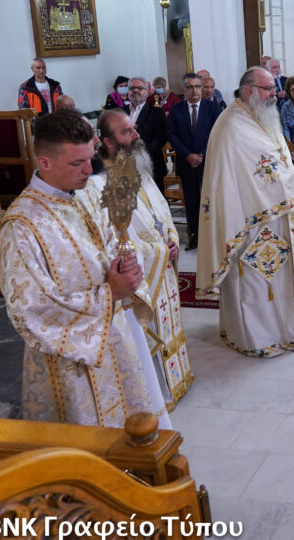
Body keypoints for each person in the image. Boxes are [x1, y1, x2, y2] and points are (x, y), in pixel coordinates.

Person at [0, 110, 167, 428]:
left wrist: (125, 265)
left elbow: (110, 244)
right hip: (69, 366)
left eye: (91, 158)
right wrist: (110, 292)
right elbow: (28, 309)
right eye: (77, 163)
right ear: (44, 163)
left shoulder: (80, 196)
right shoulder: (22, 226)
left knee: (134, 433)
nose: (90, 170)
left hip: (115, 343)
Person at [195, 67, 294, 357]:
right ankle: (258, 336)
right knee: (257, 282)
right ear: (249, 90)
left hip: (273, 216)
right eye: (268, 89)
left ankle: (284, 329)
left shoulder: (260, 117)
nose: (275, 94)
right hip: (250, 223)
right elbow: (240, 179)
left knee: (276, 280)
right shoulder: (231, 125)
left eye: (274, 88)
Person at [87, 110, 194, 409]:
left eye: (134, 129)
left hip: (162, 258)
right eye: (126, 132)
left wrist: (173, 238)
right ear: (106, 141)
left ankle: (177, 379)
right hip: (143, 270)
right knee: (151, 327)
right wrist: (160, 251)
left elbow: (160, 208)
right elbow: (116, 236)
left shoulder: (138, 166)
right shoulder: (99, 184)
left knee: (169, 322)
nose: (135, 136)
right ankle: (157, 390)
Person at [167, 73, 221, 251]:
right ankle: (196, 236)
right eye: (190, 87)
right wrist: (188, 155)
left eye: (198, 86)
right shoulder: (176, 110)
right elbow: (172, 135)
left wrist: (202, 154)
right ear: (183, 90)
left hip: (208, 162)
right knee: (191, 202)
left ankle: (213, 235)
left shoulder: (213, 108)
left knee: (210, 199)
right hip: (186, 162)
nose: (195, 90)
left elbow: (217, 133)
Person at [127, 76, 168, 190]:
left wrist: (139, 154)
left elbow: (160, 138)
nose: (135, 91)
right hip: (126, 164)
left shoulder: (157, 112)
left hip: (150, 162)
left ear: (147, 92)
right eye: (132, 88)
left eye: (140, 88)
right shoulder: (120, 111)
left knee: (155, 202)